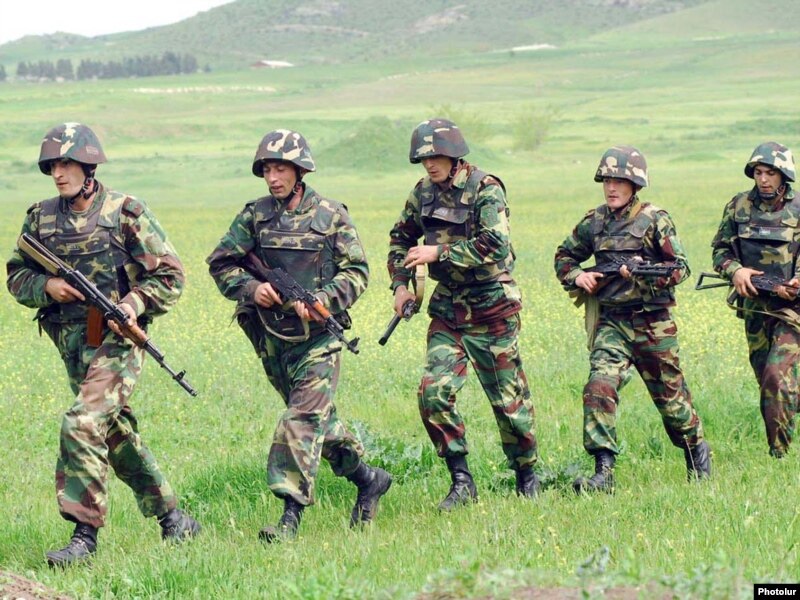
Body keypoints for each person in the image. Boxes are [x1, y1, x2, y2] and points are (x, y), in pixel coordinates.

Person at [6, 123, 200, 567]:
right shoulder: (40, 218)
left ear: (88, 165)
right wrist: (47, 286)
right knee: (113, 434)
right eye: (52, 165)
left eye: (67, 163)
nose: (58, 173)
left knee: (82, 422)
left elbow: (171, 275)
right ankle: (174, 519)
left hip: (119, 341)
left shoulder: (125, 212)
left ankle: (84, 537)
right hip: (74, 344)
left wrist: (133, 303)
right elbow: (17, 274)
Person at [207, 129, 391, 542]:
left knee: (301, 419)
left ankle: (289, 519)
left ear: (300, 171)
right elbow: (221, 263)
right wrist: (253, 288)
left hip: (319, 339)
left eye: (281, 169)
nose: (273, 178)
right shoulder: (255, 216)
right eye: (267, 170)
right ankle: (369, 479)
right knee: (320, 424)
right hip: (272, 339)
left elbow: (357, 271)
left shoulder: (330, 215)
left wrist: (324, 299)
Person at [388, 118, 540, 510]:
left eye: (436, 157)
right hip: (449, 312)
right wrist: (401, 284)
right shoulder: (422, 192)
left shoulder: (485, 188)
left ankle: (526, 475)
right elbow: (400, 238)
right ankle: (461, 480)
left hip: (493, 308)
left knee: (509, 404)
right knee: (433, 393)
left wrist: (438, 252)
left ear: (454, 155)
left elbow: (495, 244)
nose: (429, 165)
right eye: (423, 159)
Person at [554, 145, 711, 493]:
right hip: (612, 322)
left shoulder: (655, 220)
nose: (611, 188)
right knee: (599, 386)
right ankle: (603, 471)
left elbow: (680, 269)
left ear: (635, 185)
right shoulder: (594, 222)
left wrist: (643, 273)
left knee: (672, 403)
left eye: (620, 181)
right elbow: (564, 256)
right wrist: (578, 276)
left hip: (653, 323)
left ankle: (697, 452)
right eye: (607, 181)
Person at [711, 141, 799, 459]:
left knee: (777, 376)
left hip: (792, 310)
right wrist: (735, 271)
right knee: (767, 381)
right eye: (758, 172)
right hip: (755, 309)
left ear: (783, 175)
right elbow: (720, 250)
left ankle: (779, 455)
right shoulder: (738, 206)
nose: (763, 179)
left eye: (770, 173)